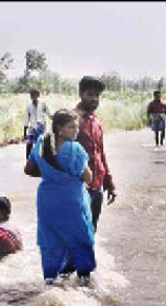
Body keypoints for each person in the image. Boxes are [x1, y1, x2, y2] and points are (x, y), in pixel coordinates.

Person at [24, 109, 96, 285]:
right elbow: (88, 177)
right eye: (71, 127)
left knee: (50, 241)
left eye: (76, 127)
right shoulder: (75, 150)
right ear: (59, 128)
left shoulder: (41, 143)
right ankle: (85, 281)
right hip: (71, 201)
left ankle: (50, 280)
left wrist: (51, 175)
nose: (76, 131)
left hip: (47, 201)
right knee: (80, 238)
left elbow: (28, 169)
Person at [74, 76, 117, 232]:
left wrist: (109, 183)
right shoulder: (71, 121)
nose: (94, 99)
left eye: (97, 95)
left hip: (97, 186)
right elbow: (59, 155)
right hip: (78, 189)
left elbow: (100, 153)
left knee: (91, 231)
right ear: (81, 94)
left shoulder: (95, 122)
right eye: (90, 94)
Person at [24, 88, 51, 160]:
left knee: (40, 143)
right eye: (31, 95)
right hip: (32, 127)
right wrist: (24, 131)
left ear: (38, 95)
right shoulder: (29, 106)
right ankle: (28, 159)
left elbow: (49, 114)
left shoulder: (43, 104)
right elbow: (26, 118)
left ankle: (41, 159)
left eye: (34, 95)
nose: (32, 97)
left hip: (41, 126)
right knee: (29, 143)